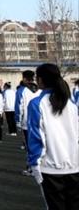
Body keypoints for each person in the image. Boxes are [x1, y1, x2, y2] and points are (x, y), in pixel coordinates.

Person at [27, 63, 79, 210]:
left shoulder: (37, 104)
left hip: (50, 168)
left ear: (41, 80)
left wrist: (34, 165)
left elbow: (36, 137)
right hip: (74, 166)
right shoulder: (71, 104)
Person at [19, 75, 42, 176]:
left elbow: (19, 107)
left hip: (27, 123)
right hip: (41, 123)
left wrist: (18, 122)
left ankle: (31, 169)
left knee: (30, 147)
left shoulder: (22, 91)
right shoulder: (41, 91)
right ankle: (39, 168)